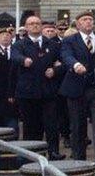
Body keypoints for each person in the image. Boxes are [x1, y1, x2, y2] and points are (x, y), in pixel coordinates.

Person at [59, 11, 95, 168]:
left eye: (90, 19)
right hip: (76, 87)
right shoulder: (70, 40)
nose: (88, 22)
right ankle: (79, 161)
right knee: (78, 125)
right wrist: (75, 65)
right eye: (84, 20)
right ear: (78, 23)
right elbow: (66, 56)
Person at [11, 16, 63, 157]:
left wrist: (55, 70)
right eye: (31, 24)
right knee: (31, 126)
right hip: (28, 92)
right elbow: (14, 56)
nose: (35, 26)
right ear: (26, 27)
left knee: (51, 124)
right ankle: (33, 154)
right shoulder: (19, 45)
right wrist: (23, 60)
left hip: (48, 91)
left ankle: (54, 152)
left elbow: (62, 62)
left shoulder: (51, 44)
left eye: (37, 23)